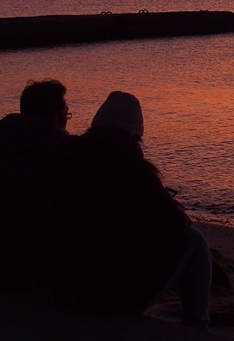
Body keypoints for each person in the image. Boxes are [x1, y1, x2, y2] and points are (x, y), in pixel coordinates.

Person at [44, 91, 212, 328]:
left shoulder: (65, 158)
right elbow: (173, 227)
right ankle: (198, 324)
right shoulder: (133, 170)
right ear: (134, 135)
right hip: (111, 298)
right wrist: (174, 209)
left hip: (63, 289)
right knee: (195, 239)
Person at [0, 79, 71, 289]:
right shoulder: (58, 151)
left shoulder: (2, 142)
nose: (68, 120)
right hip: (18, 268)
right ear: (55, 118)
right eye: (67, 114)